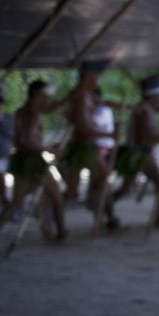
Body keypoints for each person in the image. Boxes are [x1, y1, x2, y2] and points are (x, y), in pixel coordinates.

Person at [0, 80, 68, 254]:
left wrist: (67, 99)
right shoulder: (33, 114)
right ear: (36, 95)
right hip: (33, 160)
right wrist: (50, 149)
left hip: (22, 159)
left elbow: (21, 139)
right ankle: (61, 233)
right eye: (44, 96)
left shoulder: (20, 112)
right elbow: (27, 140)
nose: (46, 100)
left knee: (17, 202)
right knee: (57, 195)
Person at [59, 60, 120, 231]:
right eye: (98, 75)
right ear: (89, 76)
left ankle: (105, 217)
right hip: (84, 147)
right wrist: (108, 134)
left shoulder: (85, 95)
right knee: (74, 190)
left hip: (88, 146)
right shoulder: (80, 95)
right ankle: (54, 218)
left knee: (101, 180)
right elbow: (83, 128)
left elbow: (101, 104)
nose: (99, 79)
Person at [112, 75, 159, 215]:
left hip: (139, 153)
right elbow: (148, 138)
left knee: (126, 188)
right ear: (153, 95)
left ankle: (106, 210)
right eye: (158, 95)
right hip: (140, 153)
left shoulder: (145, 109)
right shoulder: (144, 111)